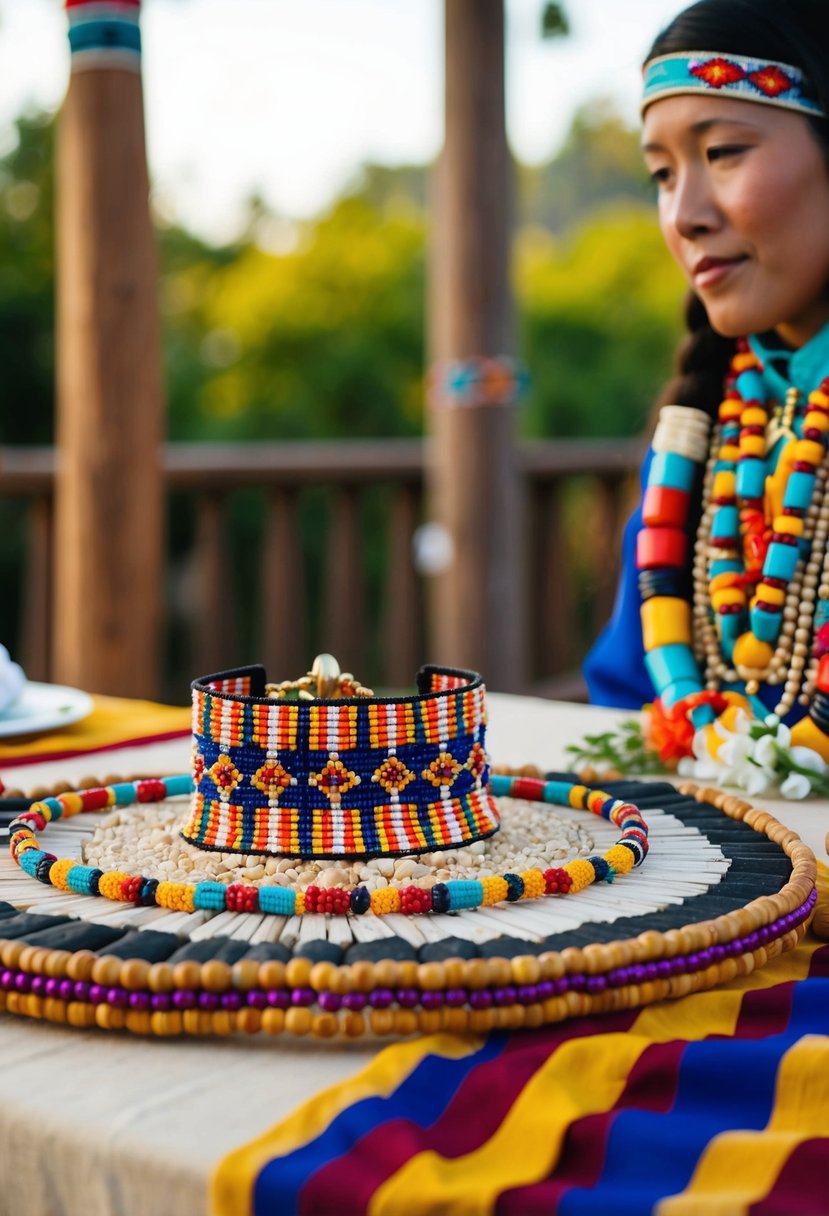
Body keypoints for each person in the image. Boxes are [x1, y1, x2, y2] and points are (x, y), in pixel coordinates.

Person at [583, 0, 829, 765]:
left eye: (722, 151)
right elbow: (628, 695)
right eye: (660, 173)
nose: (683, 213)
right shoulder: (701, 441)